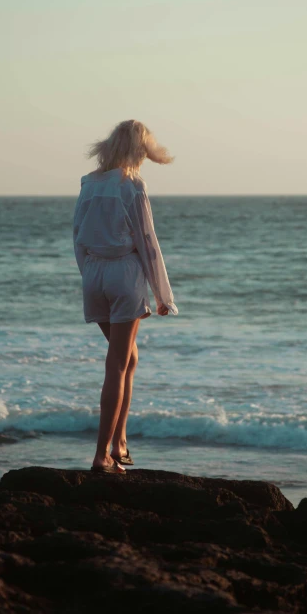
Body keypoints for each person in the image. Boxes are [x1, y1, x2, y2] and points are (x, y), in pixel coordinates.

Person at [73, 119, 178, 474]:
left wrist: (88, 275)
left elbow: (77, 236)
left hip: (95, 274)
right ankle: (103, 454)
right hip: (123, 274)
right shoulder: (132, 185)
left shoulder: (89, 183)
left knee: (128, 359)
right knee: (117, 365)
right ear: (138, 150)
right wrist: (164, 295)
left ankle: (119, 443)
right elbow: (148, 241)